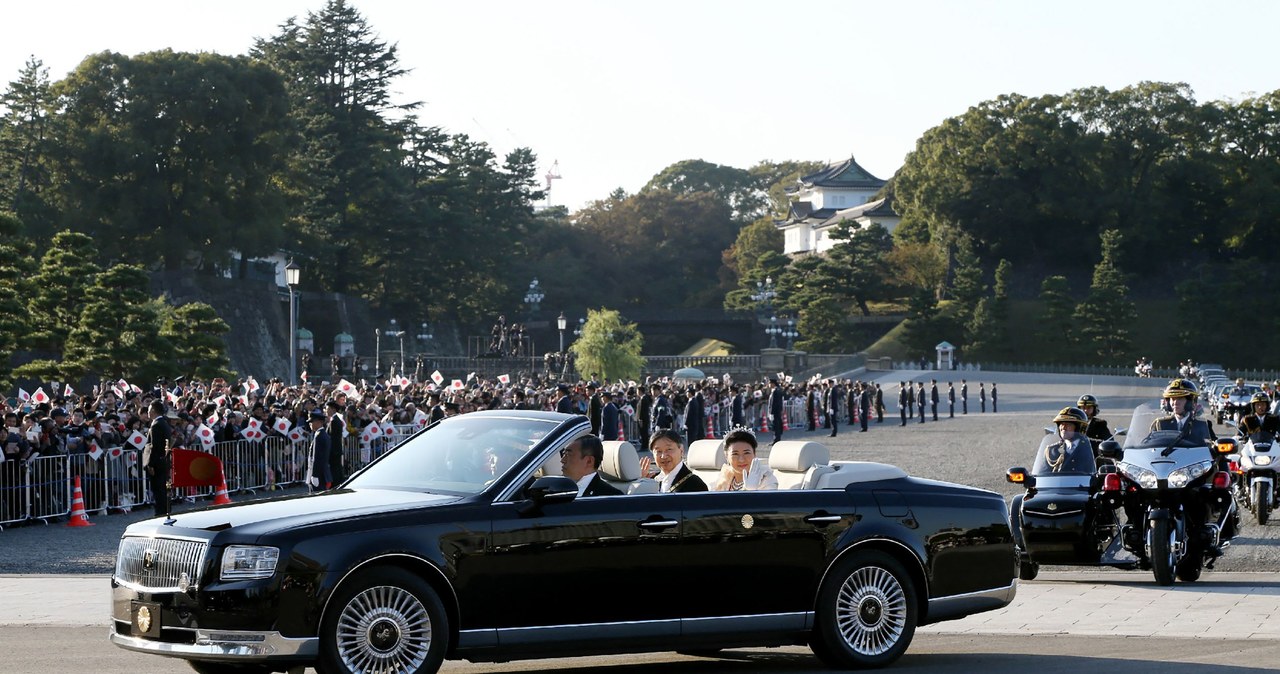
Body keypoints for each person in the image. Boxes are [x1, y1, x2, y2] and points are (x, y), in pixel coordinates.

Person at [1149, 378, 1215, 446]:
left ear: (1191, 402)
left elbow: (1215, 450)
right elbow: (1150, 448)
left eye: (1180, 398)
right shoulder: (1160, 425)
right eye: (1173, 399)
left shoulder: (1203, 425)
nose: (1175, 403)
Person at [641, 429, 707, 492]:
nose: (663, 456)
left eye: (669, 449)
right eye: (659, 451)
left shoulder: (694, 484)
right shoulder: (651, 481)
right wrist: (640, 483)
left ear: (681, 450)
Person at [713, 428, 778, 491]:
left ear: (754, 454)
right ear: (726, 456)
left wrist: (751, 491)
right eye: (735, 454)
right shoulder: (724, 479)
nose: (741, 460)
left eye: (746, 453)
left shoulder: (767, 480)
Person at [1040, 407, 1095, 473]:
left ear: (1080, 428)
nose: (1063, 428)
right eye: (1061, 424)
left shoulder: (1092, 447)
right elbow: (1041, 475)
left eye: (1068, 424)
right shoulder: (1052, 450)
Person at [142, 401, 173, 517]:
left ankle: (161, 513)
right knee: (163, 490)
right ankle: (165, 511)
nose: (148, 413)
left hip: (157, 463)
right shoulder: (164, 423)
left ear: (153, 411)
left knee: (158, 490)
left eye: (149, 410)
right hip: (163, 461)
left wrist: (150, 464)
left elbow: (154, 447)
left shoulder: (156, 425)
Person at [307, 409, 332, 492]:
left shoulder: (319, 436)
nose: (310, 424)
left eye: (312, 422)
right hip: (323, 473)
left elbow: (317, 457)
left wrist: (315, 474)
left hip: (320, 474)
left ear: (318, 422)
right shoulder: (322, 434)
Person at [769, 379, 784, 444]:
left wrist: (771, 412)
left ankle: (776, 439)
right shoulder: (776, 390)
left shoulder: (776, 391)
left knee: (775, 425)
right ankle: (777, 438)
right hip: (777, 411)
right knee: (776, 425)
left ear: (773, 383)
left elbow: (774, 403)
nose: (769, 385)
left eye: (770, 383)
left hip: (775, 411)